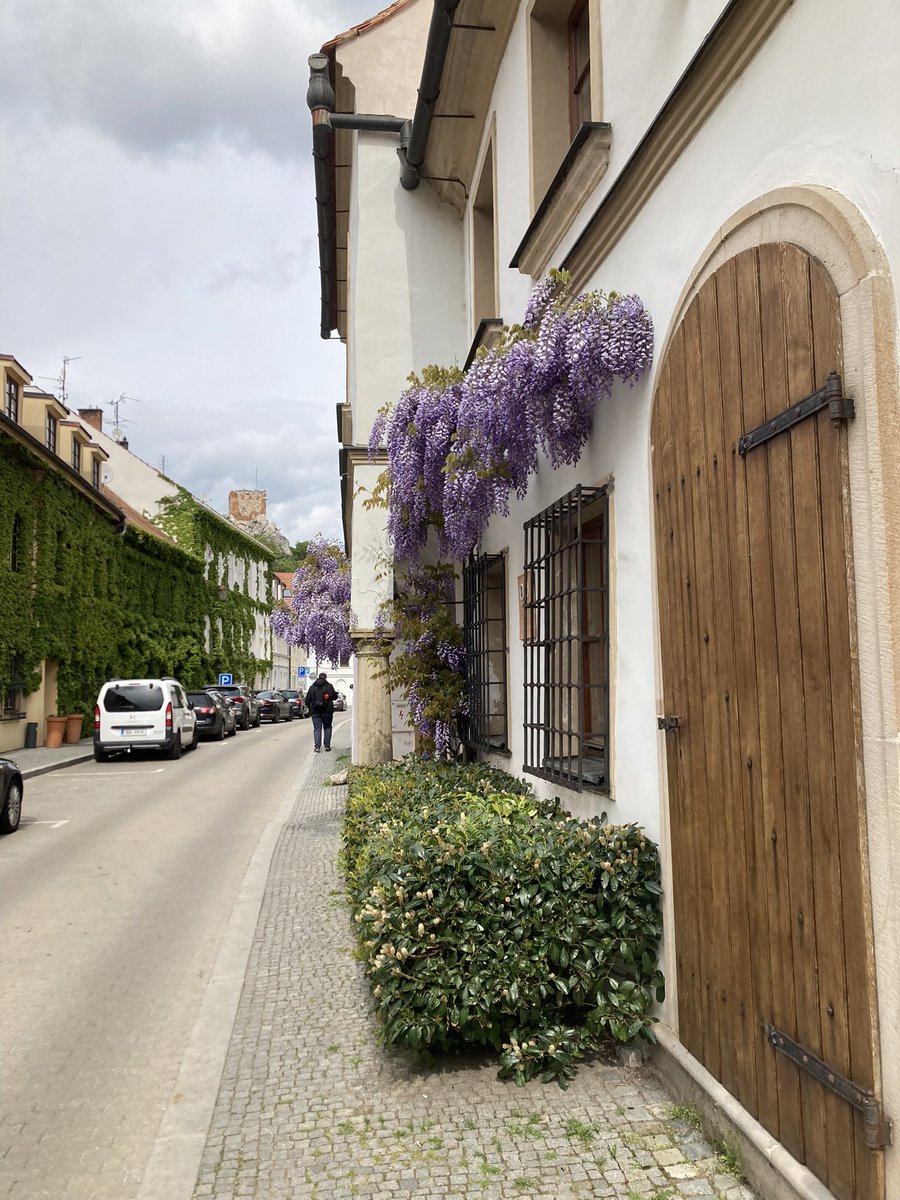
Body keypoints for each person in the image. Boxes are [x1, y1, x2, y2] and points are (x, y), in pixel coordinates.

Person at [305, 671, 335, 752]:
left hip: (315, 712)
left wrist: (311, 708)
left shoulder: (312, 687)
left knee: (317, 729)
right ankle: (327, 746)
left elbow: (307, 700)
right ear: (325, 678)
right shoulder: (329, 686)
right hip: (327, 712)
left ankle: (317, 747)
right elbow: (334, 696)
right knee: (327, 727)